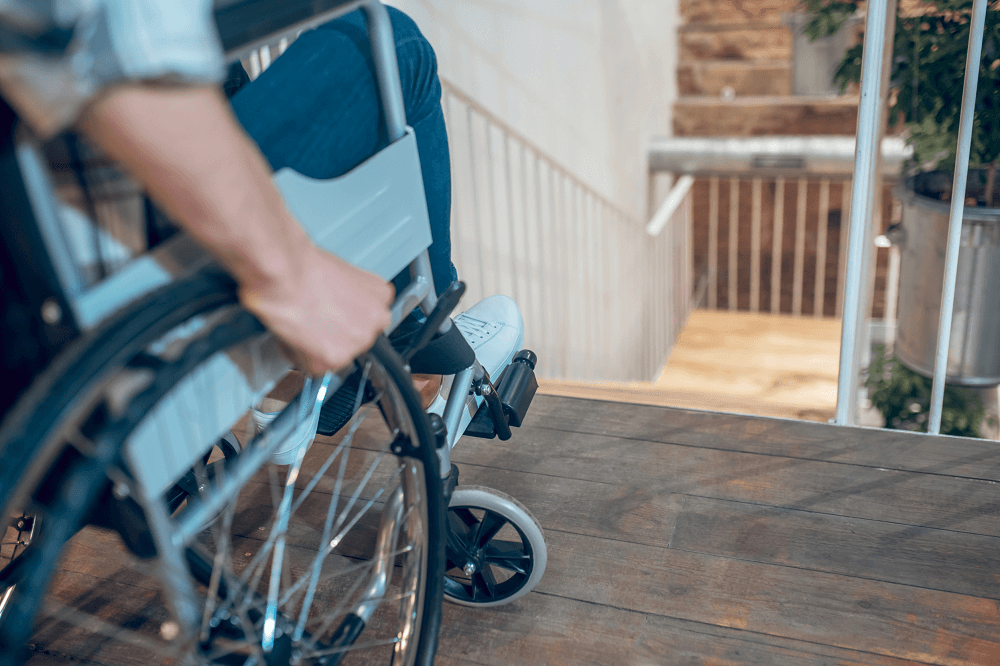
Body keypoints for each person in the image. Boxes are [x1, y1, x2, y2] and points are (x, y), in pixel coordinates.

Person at [0, 1, 523, 438]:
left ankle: (332, 361)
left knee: (223, 70)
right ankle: (420, 332)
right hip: (105, 286)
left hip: (32, 281)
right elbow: (98, 45)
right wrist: (289, 275)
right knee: (389, 40)